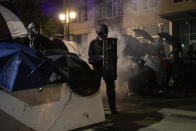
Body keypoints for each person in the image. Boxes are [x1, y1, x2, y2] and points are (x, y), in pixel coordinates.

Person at [88, 24, 117, 114]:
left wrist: (114, 71)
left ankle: (112, 109)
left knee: (111, 90)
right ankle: (94, 110)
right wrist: (100, 57)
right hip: (97, 68)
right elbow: (91, 57)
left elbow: (114, 57)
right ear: (98, 33)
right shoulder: (93, 43)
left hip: (108, 68)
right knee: (95, 89)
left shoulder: (110, 42)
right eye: (103, 33)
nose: (105, 35)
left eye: (106, 33)